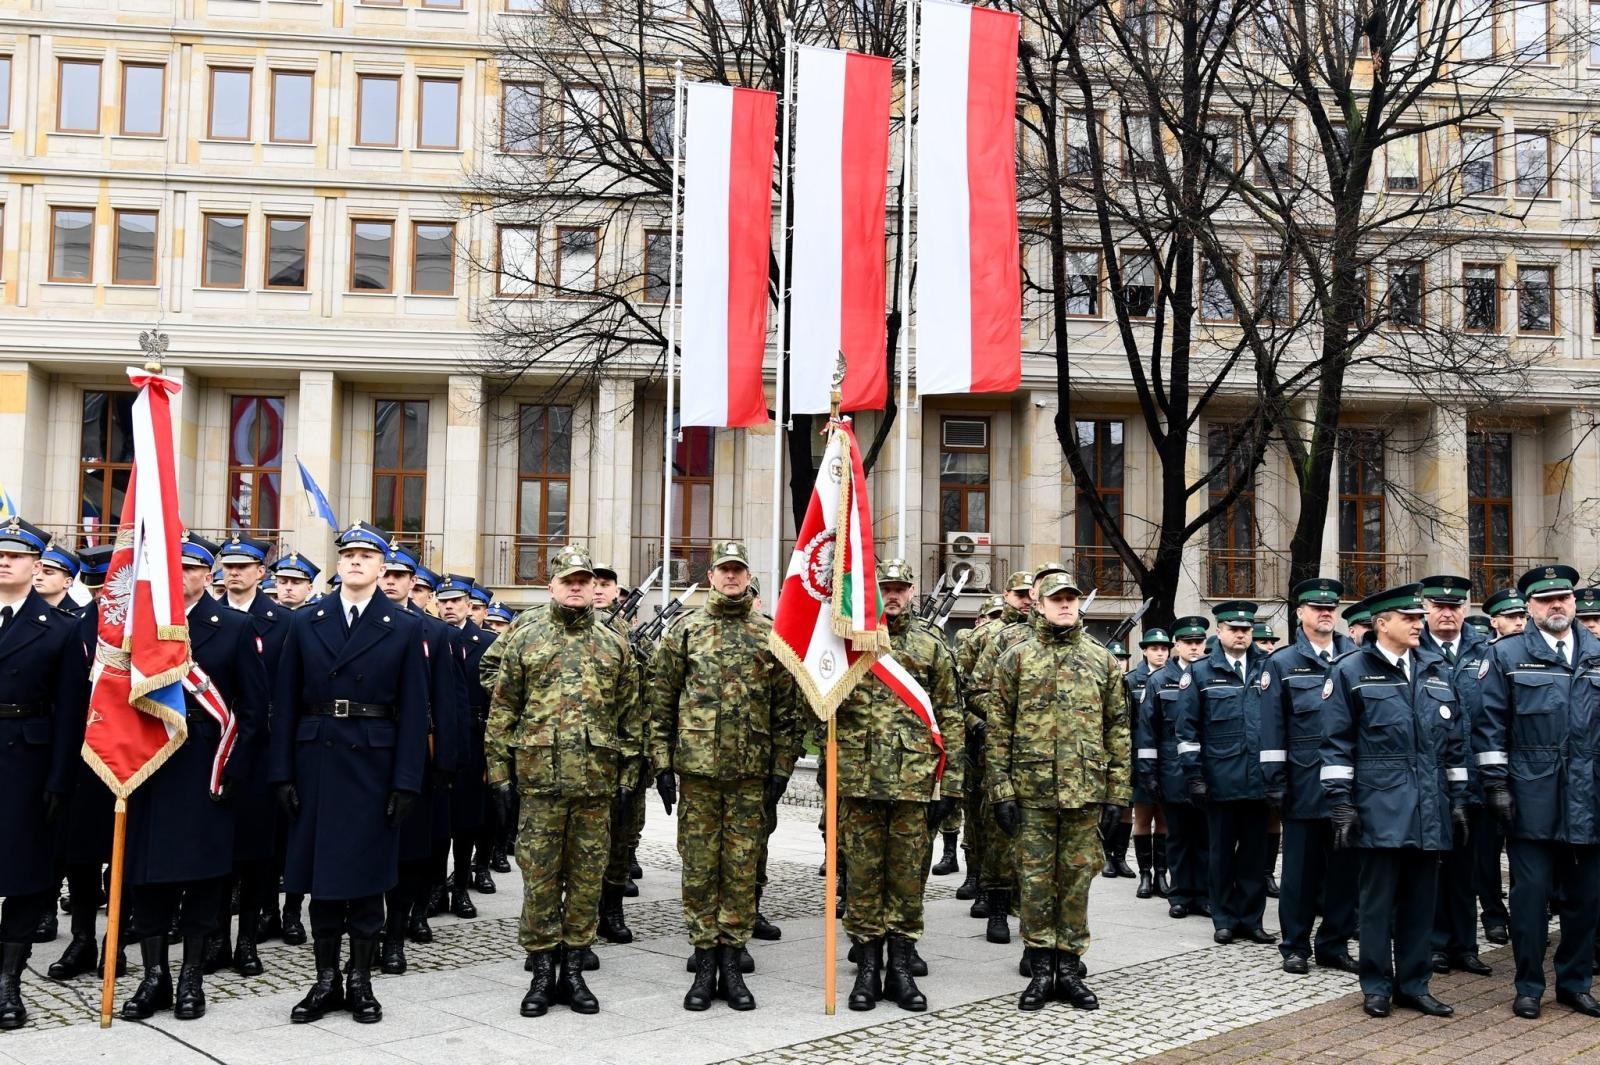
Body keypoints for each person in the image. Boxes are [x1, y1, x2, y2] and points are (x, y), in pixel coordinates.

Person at [269, 521, 431, 1025]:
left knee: (364, 880)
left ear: (383, 568)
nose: (356, 561)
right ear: (339, 564)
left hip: (373, 764)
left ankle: (360, 981)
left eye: (367, 554)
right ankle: (324, 980)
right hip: (316, 759)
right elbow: (286, 702)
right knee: (321, 879)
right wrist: (281, 773)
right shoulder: (306, 620)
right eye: (349, 554)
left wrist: (407, 781)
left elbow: (414, 710)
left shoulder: (403, 626)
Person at [484, 544, 643, 1018]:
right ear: (551, 586)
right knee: (540, 880)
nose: (577, 587)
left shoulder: (615, 642)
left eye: (584, 580)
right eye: (568, 580)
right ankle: (540, 971)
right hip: (540, 784)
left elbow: (630, 712)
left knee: (588, 880)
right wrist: (498, 774)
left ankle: (573, 969)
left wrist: (631, 772)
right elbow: (503, 710)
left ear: (595, 588)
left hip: (596, 784)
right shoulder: (526, 636)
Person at [645, 540, 800, 1011]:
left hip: (750, 775)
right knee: (697, 868)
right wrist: (662, 762)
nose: (731, 578)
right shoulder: (685, 631)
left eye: (739, 571)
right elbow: (660, 702)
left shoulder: (770, 634)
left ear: (749, 577)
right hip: (698, 774)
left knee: (739, 868)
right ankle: (704, 958)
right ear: (711, 576)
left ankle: (732, 960)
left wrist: (781, 769)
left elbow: (787, 711)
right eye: (724, 570)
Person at [120, 533, 269, 1021]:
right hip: (150, 763)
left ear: (209, 575)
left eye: (189, 568)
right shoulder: (141, 627)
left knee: (205, 879)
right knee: (148, 878)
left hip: (208, 764)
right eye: (171, 568)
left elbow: (251, 710)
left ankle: (191, 980)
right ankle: (153, 978)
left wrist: (233, 774)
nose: (179, 576)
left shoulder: (233, 626)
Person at [1320, 584, 1468, 1019]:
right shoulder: (1350, 670)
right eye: (1410, 618)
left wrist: (1458, 799)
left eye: (1419, 618)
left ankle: (1414, 984)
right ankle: (1377, 985)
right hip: (1378, 806)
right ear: (1383, 623)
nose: (1419, 624)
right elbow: (1335, 745)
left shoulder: (1435, 669)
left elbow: (1454, 745)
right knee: (1378, 904)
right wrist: (1341, 804)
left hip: (1428, 807)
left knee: (1422, 903)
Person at [990, 571, 1126, 1011]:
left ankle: (1068, 967)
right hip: (1032, 792)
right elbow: (998, 732)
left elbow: (1118, 731)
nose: (1065, 605)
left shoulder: (1101, 661)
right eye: (1056, 599)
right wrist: (1001, 790)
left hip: (1085, 793)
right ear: (1039, 604)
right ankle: (1039, 966)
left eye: (1070, 599)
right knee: (1032, 883)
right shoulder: (1017, 659)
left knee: (1075, 882)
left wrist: (1116, 795)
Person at [830, 558, 961, 1013]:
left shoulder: (931, 646)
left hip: (915, 787)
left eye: (901, 587)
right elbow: (820, 707)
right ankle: (867, 970)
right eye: (885, 586)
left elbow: (952, 719)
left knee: (907, 883)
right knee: (863, 881)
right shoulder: (847, 643)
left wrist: (953, 789)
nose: (893, 594)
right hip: (859, 784)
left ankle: (900, 970)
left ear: (912, 590)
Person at [1476, 564, 1600, 1020]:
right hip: (1531, 799)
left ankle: (1575, 982)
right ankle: (1528, 984)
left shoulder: (1597, 652)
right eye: (1546, 600)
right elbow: (1489, 728)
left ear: (1573, 601)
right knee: (1530, 899)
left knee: (1587, 900)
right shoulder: (1507, 656)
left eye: (1563, 597)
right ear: (1529, 607)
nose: (1557, 606)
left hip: (1590, 799)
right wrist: (1495, 786)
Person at [0, 518, 89, 1030]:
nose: (6, 561)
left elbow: (69, 711)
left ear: (37, 566)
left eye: (17, 555)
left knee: (25, 878)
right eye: (1, 553)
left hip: (26, 763)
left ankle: (9, 983)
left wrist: (60, 779)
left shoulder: (60, 629)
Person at [376, 544, 467, 973]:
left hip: (417, 754)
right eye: (386, 574)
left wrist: (447, 761)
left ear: (414, 583)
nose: (391, 581)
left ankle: (399, 928)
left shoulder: (435, 633)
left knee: (412, 850)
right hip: (368, 753)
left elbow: (449, 703)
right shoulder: (359, 624)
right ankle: (368, 926)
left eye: (400, 575)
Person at [1260, 578, 1358, 975]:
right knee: (1299, 876)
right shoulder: (1281, 664)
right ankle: (1295, 946)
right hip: (1302, 785)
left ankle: (1333, 944)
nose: (1325, 614)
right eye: (1317, 608)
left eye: (1331, 608)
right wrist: (1274, 781)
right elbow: (1271, 730)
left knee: (1344, 873)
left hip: (1348, 789)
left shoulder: (1356, 657)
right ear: (1299, 613)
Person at [1174, 601, 1275, 946]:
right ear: (1220, 631)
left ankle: (1252, 919)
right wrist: (1195, 776)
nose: (1241, 635)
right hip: (1219, 780)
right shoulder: (1200, 672)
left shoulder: (1268, 668)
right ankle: (1224, 918)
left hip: (1258, 782)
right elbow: (1186, 730)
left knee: (1254, 856)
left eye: (1246, 630)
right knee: (1219, 856)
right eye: (1234, 629)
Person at [214, 535, 289, 977]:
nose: (235, 573)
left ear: (262, 573)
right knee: (218, 847)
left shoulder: (281, 621)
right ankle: (216, 937)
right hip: (216, 750)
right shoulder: (209, 618)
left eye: (245, 566)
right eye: (229, 566)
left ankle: (248, 940)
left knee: (258, 852)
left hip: (262, 749)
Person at [48, 544, 122, 982]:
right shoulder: (74, 626)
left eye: (106, 588)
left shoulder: (142, 630)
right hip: (81, 752)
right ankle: (81, 938)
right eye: (95, 589)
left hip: (128, 753)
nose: (100, 598)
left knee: (123, 851)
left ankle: (118, 934)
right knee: (79, 853)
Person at [1415, 575, 1493, 980]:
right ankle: (1435, 945)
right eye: (1439, 606)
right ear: (1425, 609)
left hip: (1474, 780)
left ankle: (1466, 945)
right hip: (1431, 782)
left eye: (1455, 606)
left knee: (1468, 868)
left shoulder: (1486, 651)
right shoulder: (1416, 651)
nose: (1448, 613)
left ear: (1465, 610)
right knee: (1434, 867)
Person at [1136, 616, 1212, 920]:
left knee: (1205, 837)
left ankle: (1204, 894)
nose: (1194, 647)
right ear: (1176, 646)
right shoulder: (1158, 680)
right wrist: (1148, 773)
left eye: (1199, 642)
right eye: (1188, 642)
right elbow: (1147, 730)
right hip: (1171, 770)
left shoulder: (1210, 675)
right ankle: (1179, 895)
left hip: (1205, 769)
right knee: (1178, 836)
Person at [952, 595, 1004, 901]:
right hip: (976, 744)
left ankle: (995, 885)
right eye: (991, 615)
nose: (995, 620)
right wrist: (976, 724)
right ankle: (974, 875)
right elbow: (960, 694)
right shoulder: (973, 645)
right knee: (975, 814)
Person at [1127, 629, 1171, 900]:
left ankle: (1162, 875)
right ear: (1144, 651)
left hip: (1166, 759)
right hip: (1139, 755)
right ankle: (1145, 874)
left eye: (1164, 648)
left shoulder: (1175, 678)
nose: (1160, 652)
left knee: (1164, 819)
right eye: (1154, 648)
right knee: (1143, 818)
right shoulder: (1132, 680)